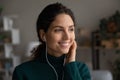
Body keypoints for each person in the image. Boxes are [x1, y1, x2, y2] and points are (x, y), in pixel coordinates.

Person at [12, 2, 91, 80]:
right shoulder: (22, 72)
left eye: (71, 29)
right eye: (58, 30)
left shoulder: (81, 70)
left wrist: (71, 64)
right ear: (43, 35)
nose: (67, 37)